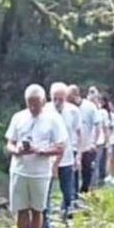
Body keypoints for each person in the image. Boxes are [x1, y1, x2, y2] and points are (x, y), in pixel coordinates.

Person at [6, 84, 65, 228]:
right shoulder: (18, 117)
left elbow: (60, 147)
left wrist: (40, 151)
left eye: (36, 104)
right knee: (21, 209)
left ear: (44, 101)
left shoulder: (53, 120)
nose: (32, 107)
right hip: (19, 169)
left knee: (37, 209)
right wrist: (17, 150)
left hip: (40, 172)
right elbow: (9, 143)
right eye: (29, 104)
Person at [49, 82, 80, 218]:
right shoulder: (45, 110)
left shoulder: (73, 111)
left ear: (66, 98)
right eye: (54, 98)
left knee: (68, 191)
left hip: (67, 157)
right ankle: (46, 220)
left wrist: (78, 154)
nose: (57, 102)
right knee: (46, 192)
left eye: (60, 99)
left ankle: (67, 214)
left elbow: (79, 133)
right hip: (48, 157)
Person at [75, 85, 100, 193]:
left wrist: (94, 142)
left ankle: (85, 190)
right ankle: (74, 193)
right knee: (74, 169)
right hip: (75, 144)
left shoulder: (90, 107)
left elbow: (97, 125)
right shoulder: (69, 107)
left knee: (87, 169)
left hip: (88, 144)